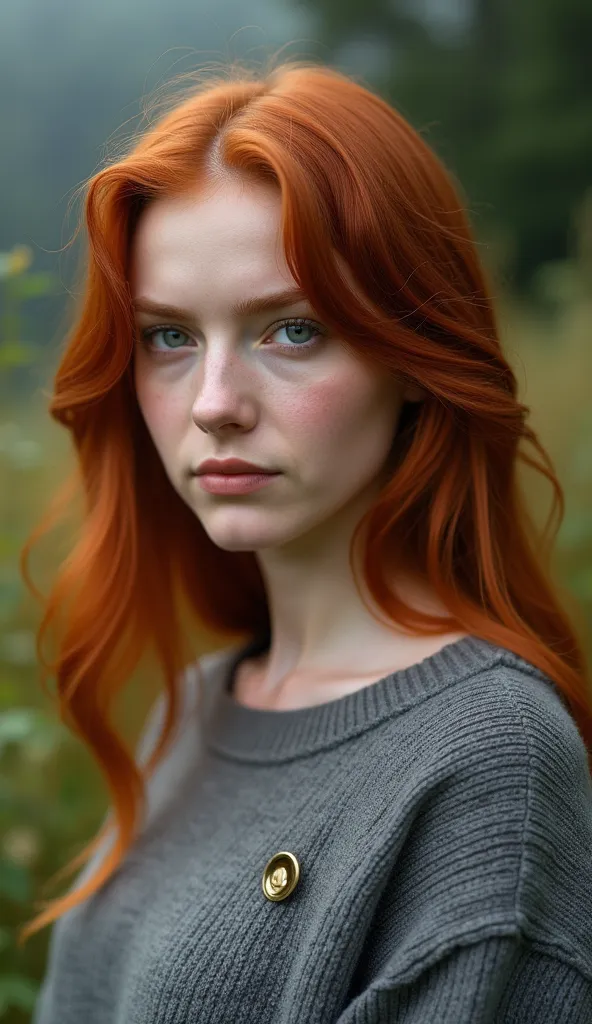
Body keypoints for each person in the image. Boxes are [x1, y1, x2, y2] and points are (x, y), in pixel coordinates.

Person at [22, 60, 592, 1021]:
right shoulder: (192, 710)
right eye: (168, 337)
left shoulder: (487, 753)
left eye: (290, 330)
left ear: (414, 356)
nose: (214, 406)